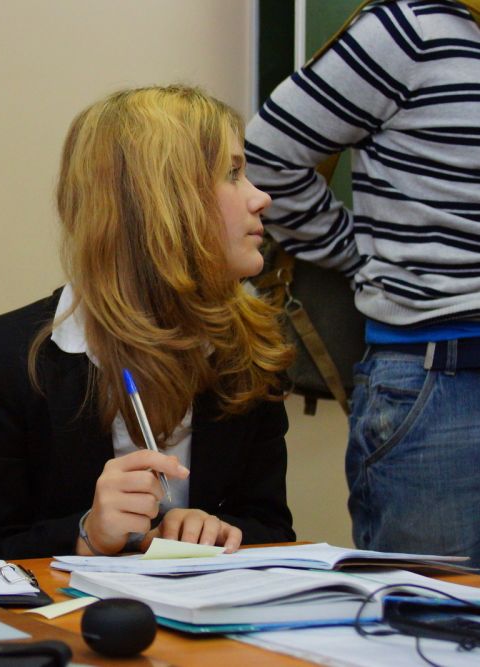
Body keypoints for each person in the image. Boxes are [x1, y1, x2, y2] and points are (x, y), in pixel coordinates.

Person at [0, 85, 296, 560]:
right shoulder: (0, 359)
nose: (261, 198)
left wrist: (217, 532)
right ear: (159, 204)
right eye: (232, 174)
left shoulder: (252, 348)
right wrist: (86, 534)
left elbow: (272, 528)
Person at [245, 0, 480, 565]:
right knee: (429, 610)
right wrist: (356, 253)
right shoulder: (409, 30)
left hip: (443, 376)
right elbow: (267, 159)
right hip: (440, 377)